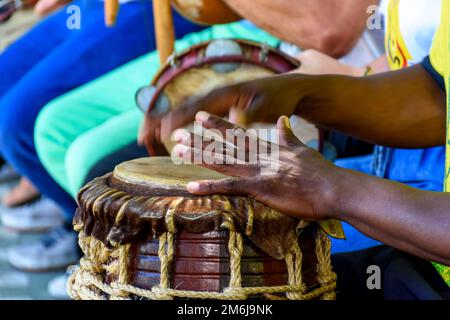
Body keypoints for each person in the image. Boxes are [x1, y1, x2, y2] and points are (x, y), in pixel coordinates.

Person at [31, 0, 378, 271]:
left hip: (315, 64)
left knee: (101, 172)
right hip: (248, 35)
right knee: (52, 133)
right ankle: (99, 250)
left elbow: (329, 32)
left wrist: (335, 81)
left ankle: (122, 255)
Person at [149, 0, 450, 298]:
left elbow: (329, 28)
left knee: (233, 273)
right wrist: (299, 93)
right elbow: (436, 95)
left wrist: (333, 189)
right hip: (429, 263)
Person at [0, 0, 204, 271]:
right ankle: (65, 205)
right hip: (93, 6)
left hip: (169, 7)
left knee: (19, 122)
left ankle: (80, 233)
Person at [290, 0, 444, 253]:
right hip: (396, 157)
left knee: (278, 245)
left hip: (433, 176)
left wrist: (345, 78)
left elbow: (328, 33)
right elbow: (426, 71)